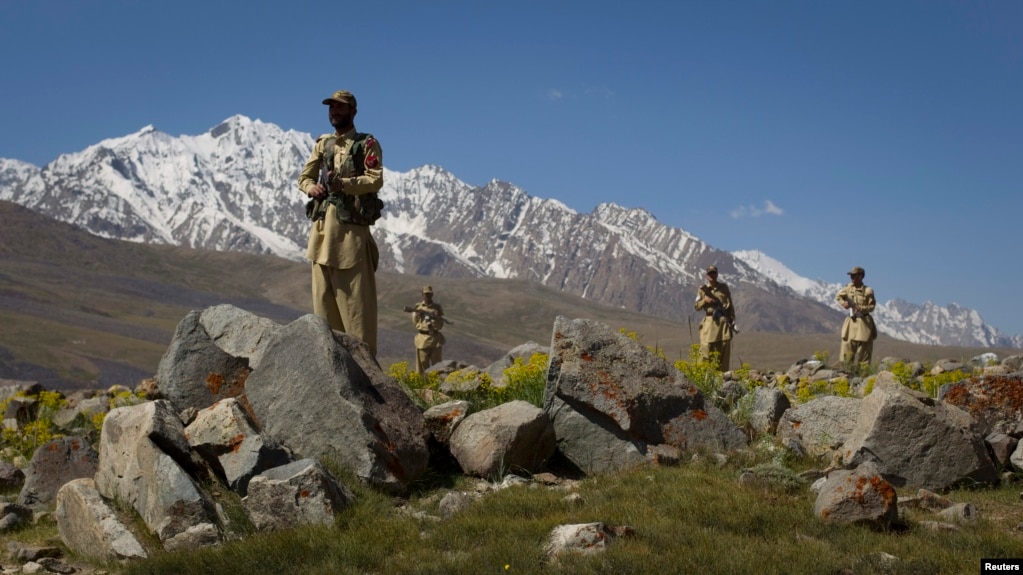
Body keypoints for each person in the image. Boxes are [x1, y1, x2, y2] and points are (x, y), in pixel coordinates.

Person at [297, 90, 384, 355]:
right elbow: (305, 177)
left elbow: (375, 179)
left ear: (353, 111)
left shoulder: (366, 144)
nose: (334, 111)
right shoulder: (322, 144)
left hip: (351, 238)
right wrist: (311, 188)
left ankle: (367, 375)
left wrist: (344, 184)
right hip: (322, 235)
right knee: (323, 313)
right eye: (331, 107)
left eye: (340, 107)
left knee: (357, 314)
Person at [694, 265, 736, 370]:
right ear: (706, 276)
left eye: (713, 273)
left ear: (717, 274)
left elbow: (730, 304)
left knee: (723, 350)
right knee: (706, 350)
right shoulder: (703, 290)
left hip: (723, 323)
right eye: (709, 274)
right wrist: (705, 301)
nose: (712, 275)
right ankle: (703, 375)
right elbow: (696, 306)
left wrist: (732, 319)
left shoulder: (724, 288)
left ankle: (722, 377)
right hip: (709, 323)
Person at [836, 266, 877, 367]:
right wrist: (844, 303)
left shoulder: (868, 291)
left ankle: (862, 374)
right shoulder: (848, 288)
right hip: (851, 321)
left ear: (861, 276)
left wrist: (861, 308)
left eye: (854, 276)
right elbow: (838, 296)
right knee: (847, 346)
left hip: (864, 322)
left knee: (864, 349)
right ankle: (845, 370)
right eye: (851, 276)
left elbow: (871, 306)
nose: (852, 278)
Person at [412, 285, 446, 374]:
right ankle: (422, 385)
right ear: (422, 294)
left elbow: (441, 323)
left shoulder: (437, 308)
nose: (427, 296)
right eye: (426, 294)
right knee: (422, 365)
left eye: (429, 294)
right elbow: (415, 322)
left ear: (432, 295)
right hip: (422, 339)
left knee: (437, 366)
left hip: (435, 339)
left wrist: (435, 317)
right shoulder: (418, 307)